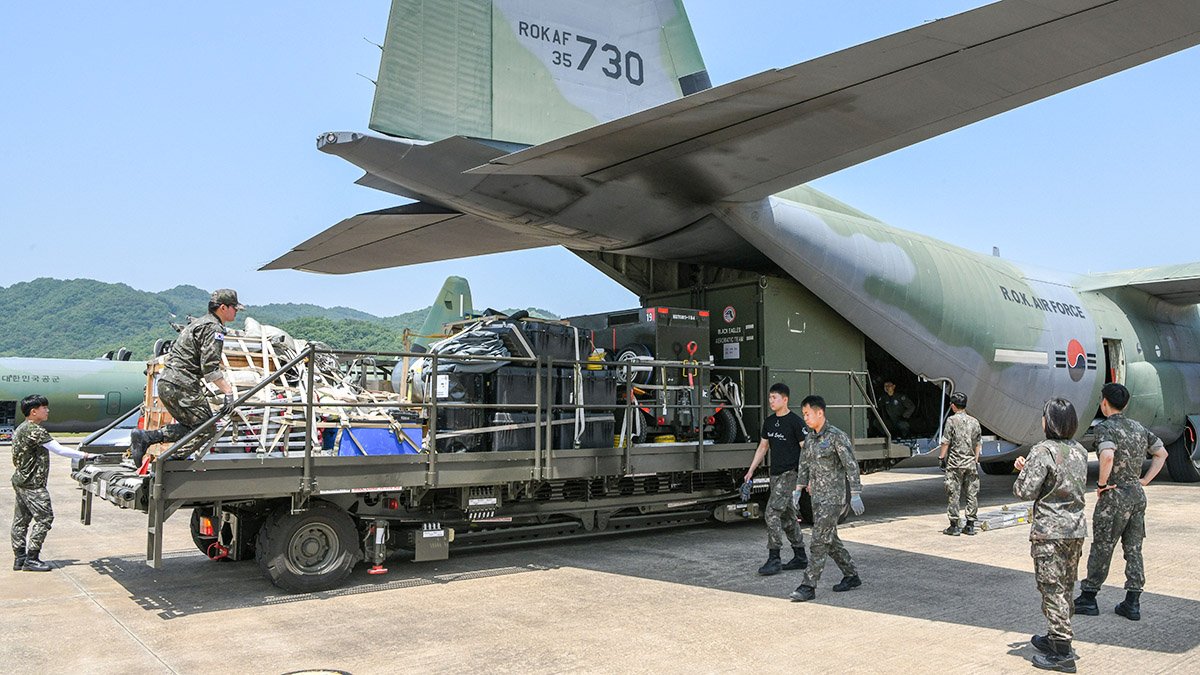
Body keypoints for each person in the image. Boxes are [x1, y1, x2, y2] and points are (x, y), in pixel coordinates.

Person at [1074, 383, 1167, 621]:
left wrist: (1103, 484)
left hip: (1114, 497)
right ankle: (1133, 601)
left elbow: (1106, 455)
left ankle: (1089, 597)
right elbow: (1161, 453)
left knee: (1103, 547)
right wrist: (1144, 479)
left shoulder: (1106, 429)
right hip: (1136, 496)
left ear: (1104, 402)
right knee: (1134, 549)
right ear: (1125, 404)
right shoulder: (1138, 428)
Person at [1012, 398, 1088, 672]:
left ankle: (1062, 652)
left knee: (1051, 588)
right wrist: (1029, 468)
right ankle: (1055, 638)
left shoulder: (1042, 450)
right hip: (1075, 529)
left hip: (1050, 533)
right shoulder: (1079, 450)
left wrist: (1023, 470)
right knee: (1066, 586)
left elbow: (1024, 491)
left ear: (1050, 422)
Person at [129, 289, 243, 465]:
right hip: (183, 384)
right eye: (234, 308)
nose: (236, 311)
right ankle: (171, 462)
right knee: (207, 428)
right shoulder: (214, 328)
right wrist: (229, 394)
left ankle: (147, 437)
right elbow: (210, 368)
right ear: (223, 308)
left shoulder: (198, 324)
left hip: (167, 382)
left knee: (192, 426)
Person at [789, 395, 865, 602]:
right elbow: (804, 465)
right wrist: (798, 490)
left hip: (833, 499)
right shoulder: (811, 439)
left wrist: (856, 493)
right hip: (816, 498)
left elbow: (851, 465)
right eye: (803, 414)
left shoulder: (836, 437)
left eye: (808, 414)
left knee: (818, 540)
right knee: (830, 539)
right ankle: (851, 575)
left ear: (819, 413)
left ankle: (808, 585)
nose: (805, 418)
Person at [11, 394, 98, 572]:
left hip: (21, 480)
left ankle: (20, 558)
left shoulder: (21, 428)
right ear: (33, 412)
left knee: (21, 521)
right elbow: (58, 449)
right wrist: (85, 455)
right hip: (33, 484)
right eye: (44, 408)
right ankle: (32, 558)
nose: (47, 410)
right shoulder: (35, 430)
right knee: (45, 518)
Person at [743, 383, 808, 575]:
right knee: (788, 517)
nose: (771, 401)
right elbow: (763, 447)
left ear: (785, 399)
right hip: (775, 475)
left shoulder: (796, 422)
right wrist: (751, 471)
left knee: (771, 513)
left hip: (790, 474)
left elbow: (806, 450)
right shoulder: (769, 422)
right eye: (770, 397)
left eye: (775, 398)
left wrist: (807, 477)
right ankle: (800, 556)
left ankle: (774, 558)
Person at [938, 392, 982, 536]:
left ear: (953, 405)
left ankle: (954, 525)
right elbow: (978, 444)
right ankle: (970, 525)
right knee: (971, 494)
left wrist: (941, 457)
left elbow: (946, 441)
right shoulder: (974, 421)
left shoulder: (951, 420)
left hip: (955, 463)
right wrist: (975, 460)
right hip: (970, 464)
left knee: (953, 493)